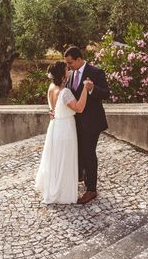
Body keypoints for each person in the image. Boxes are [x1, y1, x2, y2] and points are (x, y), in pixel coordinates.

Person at [35, 61, 89, 204]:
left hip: (54, 127)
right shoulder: (65, 92)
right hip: (65, 129)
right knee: (65, 159)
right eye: (66, 68)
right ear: (62, 73)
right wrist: (85, 89)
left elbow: (53, 108)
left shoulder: (51, 87)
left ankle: (54, 187)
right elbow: (79, 108)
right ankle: (64, 193)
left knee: (55, 159)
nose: (69, 69)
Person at [64, 46, 110, 204]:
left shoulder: (96, 72)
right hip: (75, 122)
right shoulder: (71, 74)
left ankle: (91, 190)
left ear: (78, 59)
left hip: (92, 122)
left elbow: (106, 93)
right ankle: (82, 176)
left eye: (70, 62)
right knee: (79, 152)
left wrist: (92, 89)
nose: (68, 66)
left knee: (89, 154)